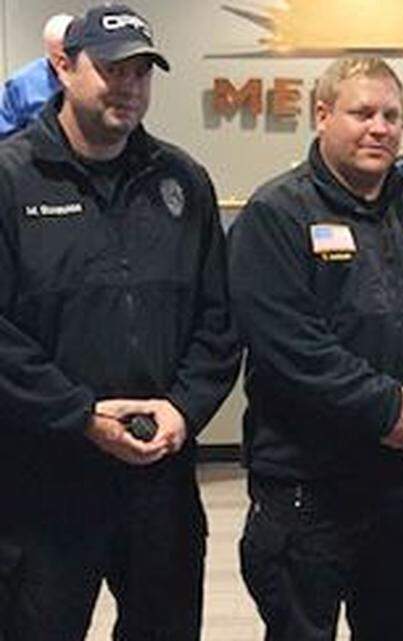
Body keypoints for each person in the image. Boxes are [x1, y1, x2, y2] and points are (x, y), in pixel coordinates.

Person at [0, 4, 239, 639]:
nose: (128, 87)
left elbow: (218, 321)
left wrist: (184, 410)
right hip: (40, 480)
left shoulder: (183, 181)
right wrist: (80, 414)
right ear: (62, 66)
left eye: (141, 72)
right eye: (111, 69)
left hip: (158, 479)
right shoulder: (9, 179)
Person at [229, 55, 403, 641]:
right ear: (322, 116)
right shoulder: (276, 214)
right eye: (362, 113)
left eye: (392, 115)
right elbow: (286, 343)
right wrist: (385, 406)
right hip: (307, 488)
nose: (380, 128)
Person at [0, 13, 71, 138]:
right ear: (48, 52)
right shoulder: (22, 85)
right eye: (58, 57)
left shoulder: (95, 75)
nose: (64, 63)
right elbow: (5, 135)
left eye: (70, 52)